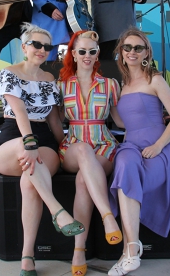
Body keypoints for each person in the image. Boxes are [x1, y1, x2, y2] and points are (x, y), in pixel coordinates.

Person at [0, 23, 85, 276]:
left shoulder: (50, 80)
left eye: (47, 46)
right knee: (28, 156)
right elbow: (19, 112)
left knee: (29, 182)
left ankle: (27, 257)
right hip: (14, 136)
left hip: (44, 139)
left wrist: (64, 145)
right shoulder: (8, 73)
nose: (42, 50)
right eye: (36, 44)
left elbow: (54, 121)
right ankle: (58, 211)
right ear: (24, 47)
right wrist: (29, 143)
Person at [107, 28, 170, 276]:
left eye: (138, 48)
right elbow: (123, 124)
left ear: (146, 53)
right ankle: (132, 248)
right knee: (124, 164)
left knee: (129, 169)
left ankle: (129, 251)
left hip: (158, 147)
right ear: (121, 52)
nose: (132, 52)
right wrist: (110, 103)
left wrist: (158, 146)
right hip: (131, 144)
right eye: (127, 47)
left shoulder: (155, 79)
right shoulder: (122, 85)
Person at [57, 30, 123, 276]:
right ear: (73, 54)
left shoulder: (111, 85)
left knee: (84, 179)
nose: (87, 55)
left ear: (98, 55)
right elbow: (56, 122)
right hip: (74, 145)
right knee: (83, 151)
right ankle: (108, 216)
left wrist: (153, 118)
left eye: (92, 51)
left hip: (103, 144)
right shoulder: (62, 86)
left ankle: (78, 250)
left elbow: (120, 121)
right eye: (82, 51)